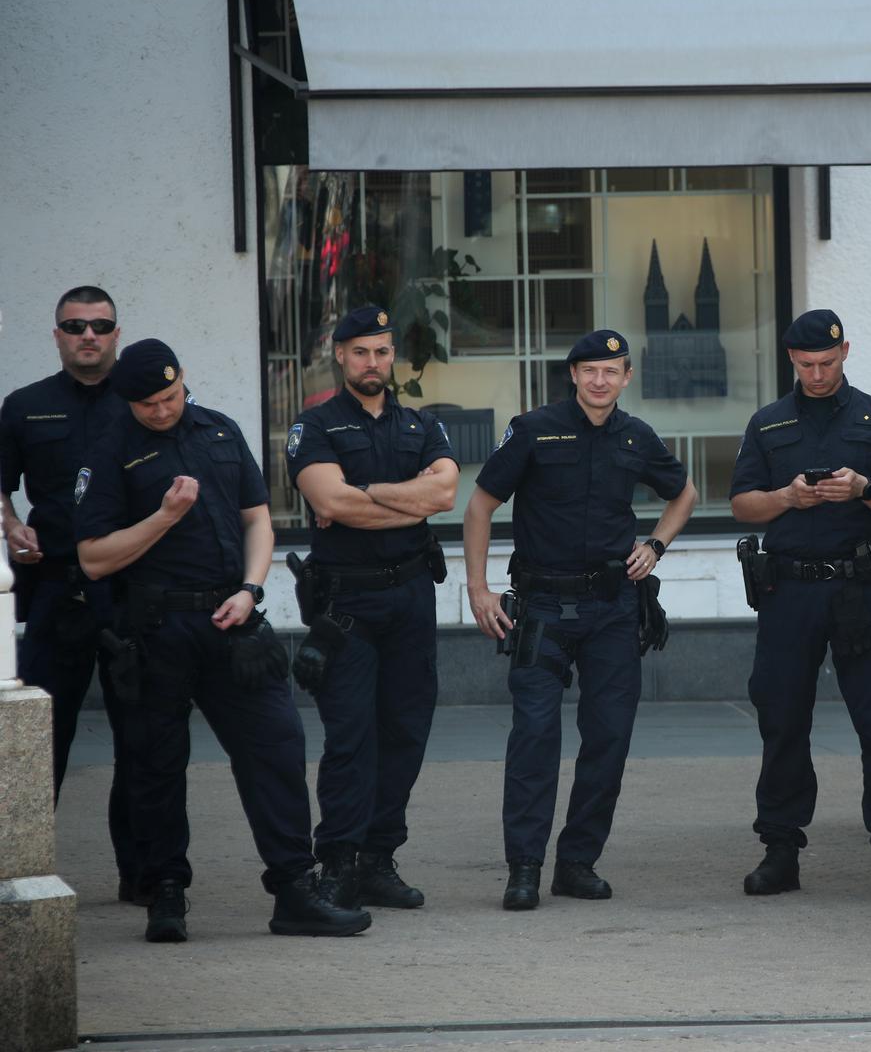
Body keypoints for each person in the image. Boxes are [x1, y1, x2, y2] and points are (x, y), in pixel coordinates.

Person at [75, 339, 369, 942]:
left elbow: (257, 518)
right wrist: (163, 517)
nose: (163, 410)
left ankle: (293, 888)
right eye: (150, 404)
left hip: (232, 619)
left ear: (184, 380)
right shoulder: (108, 450)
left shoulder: (219, 430)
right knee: (157, 764)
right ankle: (166, 893)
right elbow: (93, 559)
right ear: (126, 400)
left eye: (171, 395)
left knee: (277, 747)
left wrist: (251, 589)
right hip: (157, 629)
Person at [464, 329, 697, 911]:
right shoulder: (534, 429)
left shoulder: (636, 436)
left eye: (611, 371)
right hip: (542, 607)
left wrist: (657, 546)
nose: (600, 380)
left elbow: (684, 493)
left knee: (609, 739)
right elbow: (480, 505)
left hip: (614, 610)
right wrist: (478, 589)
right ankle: (524, 867)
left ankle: (577, 863)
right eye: (589, 370)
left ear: (626, 378)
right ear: (573, 375)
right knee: (536, 737)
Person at [729, 309, 871, 900]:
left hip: (859, 591)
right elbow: (742, 506)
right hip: (788, 591)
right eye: (806, 365)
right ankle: (780, 851)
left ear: (845, 354)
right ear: (792, 361)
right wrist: (787, 498)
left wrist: (863, 490)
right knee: (783, 722)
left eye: (827, 363)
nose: (817, 374)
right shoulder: (767, 424)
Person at [286, 305, 458, 912]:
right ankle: (336, 861)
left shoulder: (421, 426)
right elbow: (331, 502)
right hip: (347, 604)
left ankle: (378, 859)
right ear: (340, 355)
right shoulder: (316, 426)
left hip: (411, 597)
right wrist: (401, 502)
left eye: (382, 351)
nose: (373, 362)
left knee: (405, 732)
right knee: (351, 738)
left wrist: (368, 497)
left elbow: (444, 492)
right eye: (360, 351)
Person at [0, 285, 140, 902]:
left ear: (117, 333)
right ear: (56, 335)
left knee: (142, 738)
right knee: (38, 742)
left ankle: (145, 875)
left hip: (131, 594)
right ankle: (21, 873)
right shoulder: (24, 407)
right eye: (75, 325)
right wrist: (10, 526)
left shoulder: (144, 404)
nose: (88, 335)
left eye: (100, 325)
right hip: (56, 591)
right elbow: (0, 488)